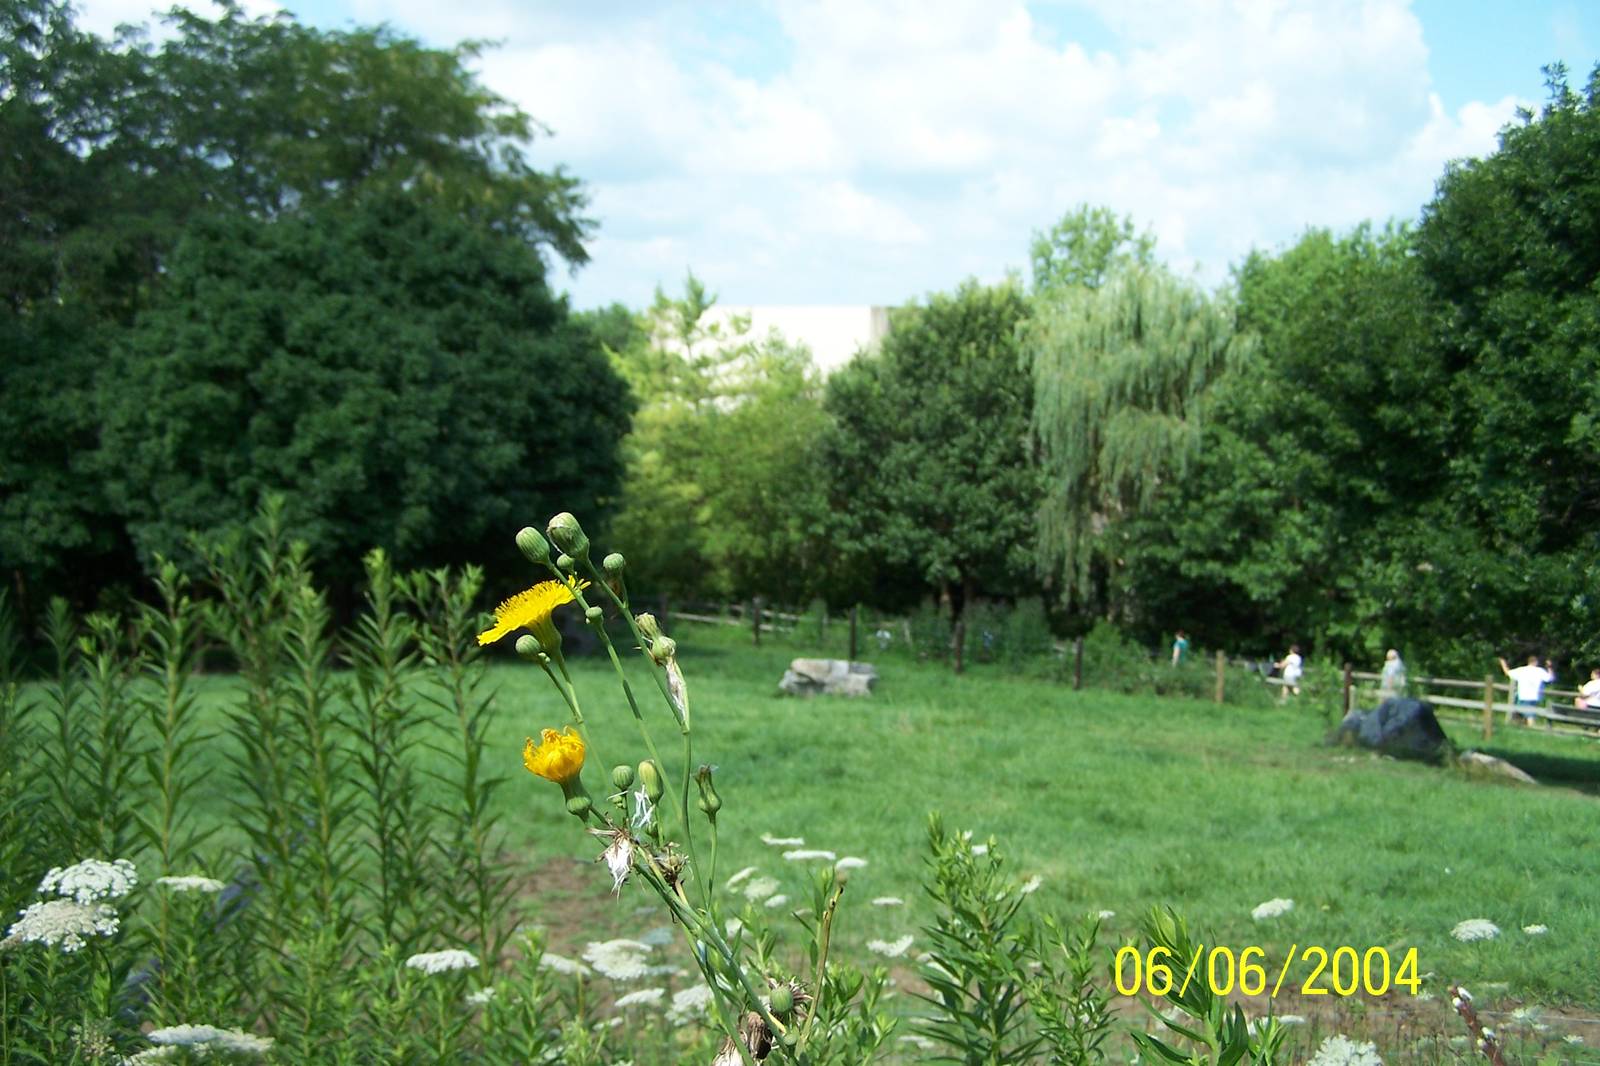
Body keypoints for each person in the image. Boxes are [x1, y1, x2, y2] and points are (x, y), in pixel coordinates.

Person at [1498, 654, 1554, 725]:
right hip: (1535, 697)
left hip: (1523, 696)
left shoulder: (1522, 670)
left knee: (1529, 714)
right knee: (1529, 713)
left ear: (1529, 662)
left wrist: (1503, 662)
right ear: (1536, 662)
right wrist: (1549, 667)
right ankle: (1525, 725)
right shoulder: (1540, 671)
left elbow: (1507, 672)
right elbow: (1550, 678)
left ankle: (1531, 728)